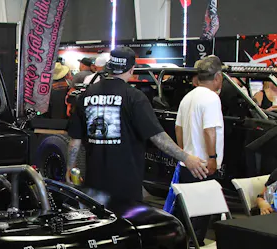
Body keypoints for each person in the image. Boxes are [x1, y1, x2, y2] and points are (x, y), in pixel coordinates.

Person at [67, 46, 208, 201]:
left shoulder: (87, 95)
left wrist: (70, 167)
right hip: (126, 185)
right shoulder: (134, 97)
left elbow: (75, 140)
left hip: (94, 183)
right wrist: (186, 158)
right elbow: (157, 137)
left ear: (109, 67)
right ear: (131, 69)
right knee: (125, 217)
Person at [174, 55, 225, 245]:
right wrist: (212, 157)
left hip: (188, 162)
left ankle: (183, 242)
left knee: (186, 209)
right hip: (203, 164)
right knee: (201, 213)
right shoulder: (211, 98)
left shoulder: (188, 97)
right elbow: (209, 130)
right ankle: (195, 245)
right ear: (218, 77)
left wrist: (184, 154)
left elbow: (178, 128)